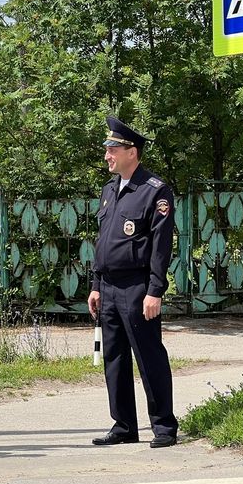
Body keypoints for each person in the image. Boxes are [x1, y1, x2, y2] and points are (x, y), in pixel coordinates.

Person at [87, 116, 179, 449]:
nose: (107, 156)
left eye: (112, 149)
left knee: (149, 356)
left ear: (132, 152)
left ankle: (164, 426)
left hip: (137, 287)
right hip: (109, 286)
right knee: (114, 358)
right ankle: (124, 425)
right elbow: (103, 242)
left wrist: (155, 290)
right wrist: (96, 284)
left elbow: (160, 246)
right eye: (107, 149)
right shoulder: (109, 190)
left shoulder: (154, 191)